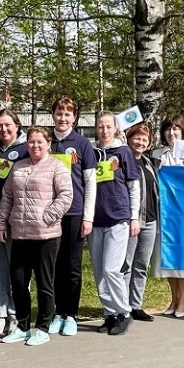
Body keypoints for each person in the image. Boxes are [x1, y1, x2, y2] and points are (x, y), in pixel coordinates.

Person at [0, 126, 73, 345]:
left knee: (44, 284)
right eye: (31, 142)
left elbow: (66, 196)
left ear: (48, 144)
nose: (35, 145)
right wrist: (1, 222)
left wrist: (47, 217)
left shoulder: (57, 167)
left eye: (40, 142)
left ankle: (42, 327)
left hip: (46, 236)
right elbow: (7, 197)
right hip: (20, 235)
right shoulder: (18, 167)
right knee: (19, 283)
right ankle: (22, 325)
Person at [49, 96, 97, 335]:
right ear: (53, 115)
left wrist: (88, 217)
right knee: (54, 264)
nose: (63, 117)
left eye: (68, 114)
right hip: (49, 214)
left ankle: (71, 314)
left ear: (74, 117)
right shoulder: (46, 142)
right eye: (59, 113)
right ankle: (57, 312)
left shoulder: (82, 143)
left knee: (72, 265)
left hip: (75, 212)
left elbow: (90, 182)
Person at [90, 112, 140, 336]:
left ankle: (124, 312)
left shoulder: (123, 152)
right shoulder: (91, 153)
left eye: (108, 126)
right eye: (100, 126)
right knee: (100, 271)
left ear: (114, 128)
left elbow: (133, 186)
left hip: (118, 218)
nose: (104, 130)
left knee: (112, 269)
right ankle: (110, 314)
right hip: (95, 221)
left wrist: (134, 216)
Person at [150, 114, 184, 317]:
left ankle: (183, 300)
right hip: (165, 211)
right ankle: (173, 298)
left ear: (182, 131)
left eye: (176, 129)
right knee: (167, 255)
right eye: (168, 129)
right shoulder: (157, 154)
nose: (172, 133)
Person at [0, 108, 28, 335]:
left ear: (17, 126)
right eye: (0, 125)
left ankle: (16, 315)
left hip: (18, 219)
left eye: (8, 125)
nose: (4, 129)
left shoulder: (27, 150)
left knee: (18, 270)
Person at [121, 123, 159, 322]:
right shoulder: (122, 160)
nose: (141, 142)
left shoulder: (149, 162)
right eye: (137, 138)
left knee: (141, 265)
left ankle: (136, 305)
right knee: (126, 264)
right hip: (130, 221)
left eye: (145, 139)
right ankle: (123, 306)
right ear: (129, 138)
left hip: (150, 221)